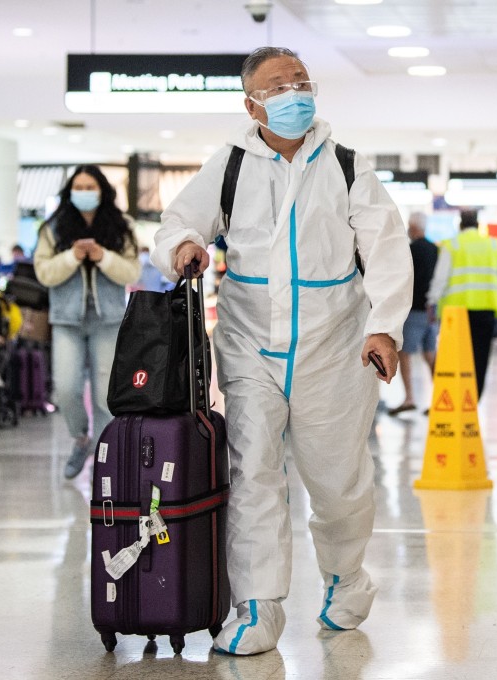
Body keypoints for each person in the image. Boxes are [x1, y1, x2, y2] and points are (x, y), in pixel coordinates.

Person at [151, 46, 412, 656]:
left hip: (336, 347)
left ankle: (346, 578)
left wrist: (385, 327)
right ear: (252, 103)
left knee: (337, 481)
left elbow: (387, 248)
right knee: (254, 476)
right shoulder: (232, 164)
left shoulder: (346, 165)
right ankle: (259, 606)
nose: (295, 92)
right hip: (248, 346)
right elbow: (176, 222)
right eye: (278, 85)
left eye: (301, 81)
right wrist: (187, 245)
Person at [33, 165, 140, 479]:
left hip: (107, 319)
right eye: (77, 187)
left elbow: (131, 272)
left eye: (89, 187)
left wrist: (102, 256)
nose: (84, 193)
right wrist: (73, 257)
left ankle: (107, 457)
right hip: (66, 321)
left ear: (102, 190)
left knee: (106, 394)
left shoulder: (122, 226)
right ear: (69, 192)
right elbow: (44, 273)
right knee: (65, 388)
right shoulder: (53, 228)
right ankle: (81, 438)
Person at [428, 208, 497, 399]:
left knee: (454, 358)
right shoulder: (493, 245)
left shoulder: (452, 245)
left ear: (460, 225)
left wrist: (431, 302)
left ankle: (455, 399)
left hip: (456, 313)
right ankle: (473, 400)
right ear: (478, 225)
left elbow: (440, 279)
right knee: (481, 358)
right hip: (486, 310)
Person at [388, 212, 439, 416]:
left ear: (414, 228)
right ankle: (440, 397)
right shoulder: (436, 250)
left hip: (414, 310)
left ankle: (409, 398)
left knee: (404, 353)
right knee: (430, 354)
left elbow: (404, 279)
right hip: (432, 311)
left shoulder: (410, 251)